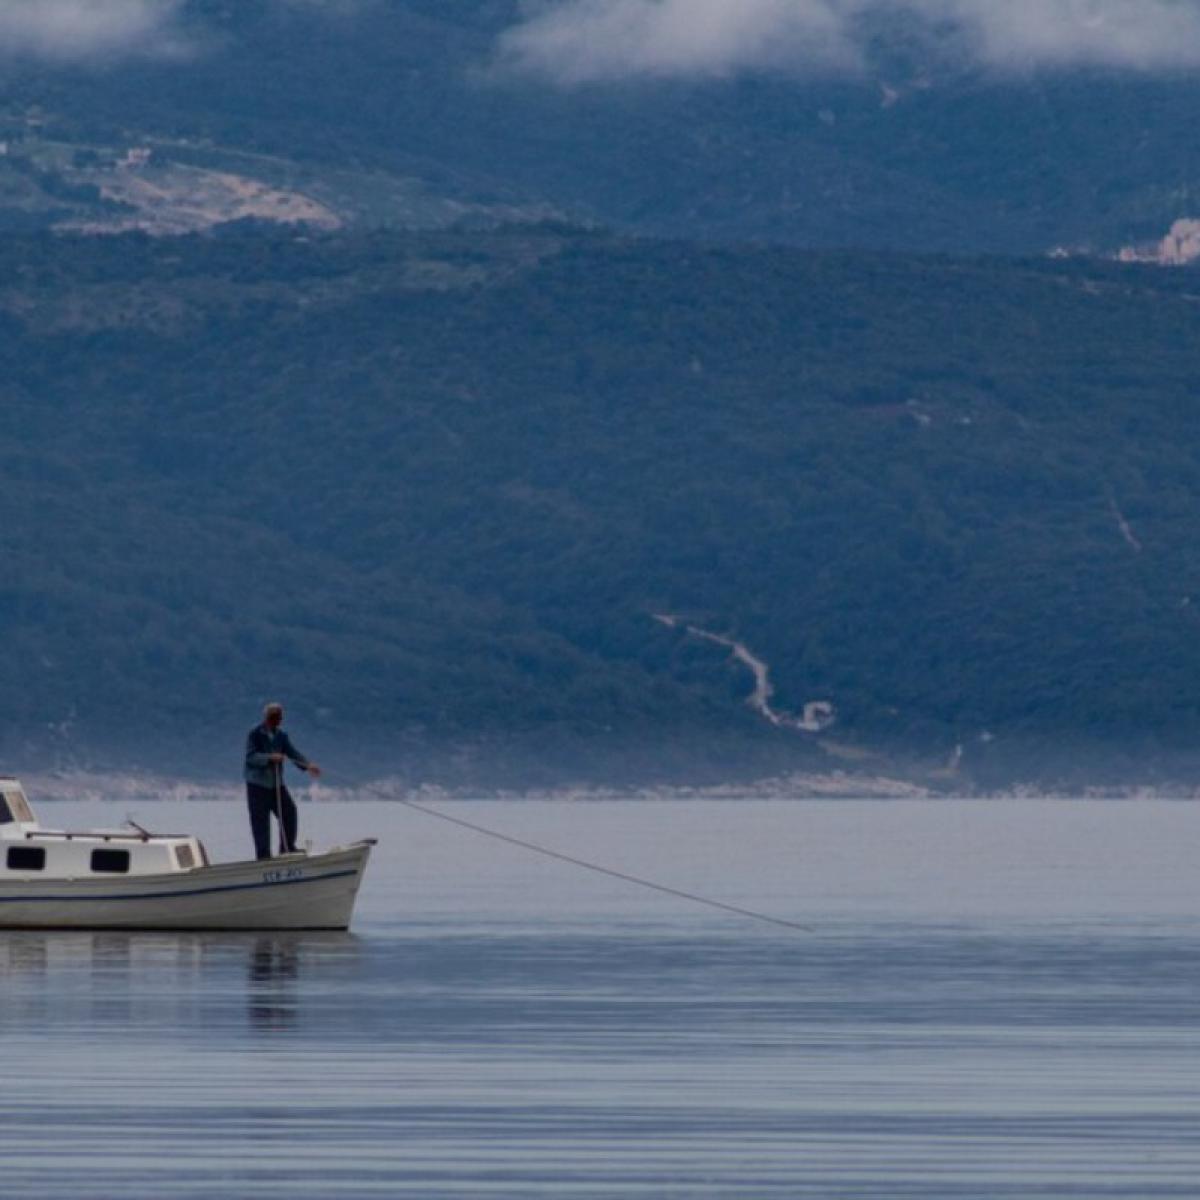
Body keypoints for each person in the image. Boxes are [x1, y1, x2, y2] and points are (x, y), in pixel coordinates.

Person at [244, 702, 322, 860]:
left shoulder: (281, 736)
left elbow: (292, 753)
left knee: (289, 812)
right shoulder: (255, 733)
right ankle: (264, 856)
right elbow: (251, 757)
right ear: (267, 718)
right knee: (261, 822)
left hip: (276, 785)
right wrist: (269, 758)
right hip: (257, 786)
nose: (277, 721)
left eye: (279, 718)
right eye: (274, 718)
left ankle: (287, 848)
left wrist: (308, 765)